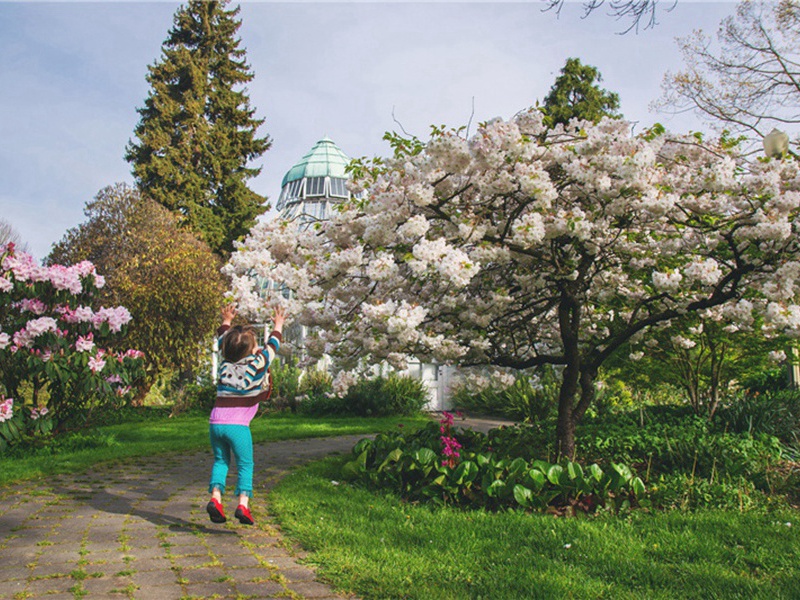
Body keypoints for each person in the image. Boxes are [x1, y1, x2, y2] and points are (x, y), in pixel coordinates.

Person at [206, 303, 285, 525]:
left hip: (215, 422)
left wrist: (227, 319)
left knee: (221, 461)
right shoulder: (257, 362)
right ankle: (243, 505)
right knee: (245, 465)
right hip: (238, 426)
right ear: (251, 350)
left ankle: (216, 499)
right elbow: (273, 346)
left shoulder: (225, 363)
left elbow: (223, 338)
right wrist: (278, 324)